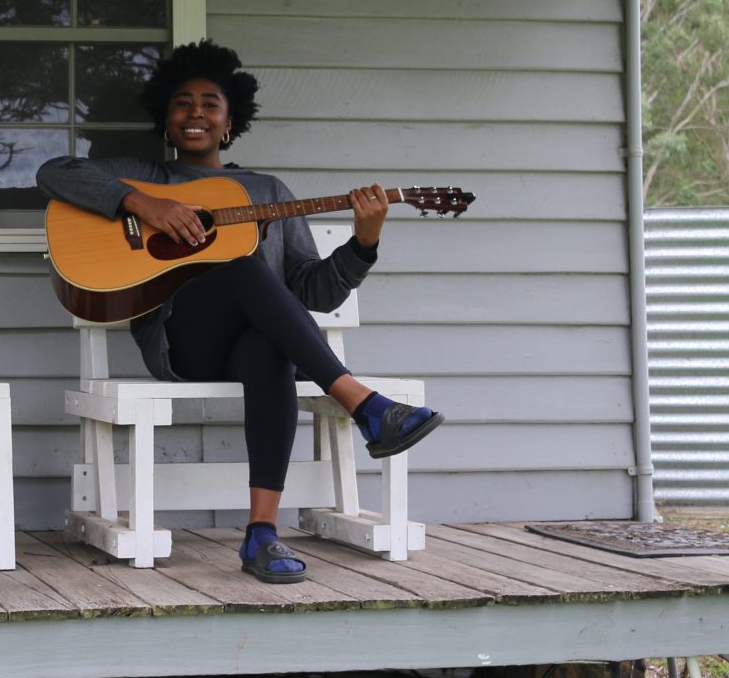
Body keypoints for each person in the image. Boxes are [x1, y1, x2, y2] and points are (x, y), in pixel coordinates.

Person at [36, 40, 443, 583]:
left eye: (210, 104)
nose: (196, 113)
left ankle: (261, 535)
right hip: (183, 341)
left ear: (230, 122)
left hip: (257, 344)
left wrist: (362, 243)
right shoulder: (143, 173)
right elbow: (54, 172)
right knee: (241, 263)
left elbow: (314, 292)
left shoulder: (268, 191)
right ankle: (362, 403)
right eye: (183, 103)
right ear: (166, 118)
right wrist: (145, 202)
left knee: (268, 346)